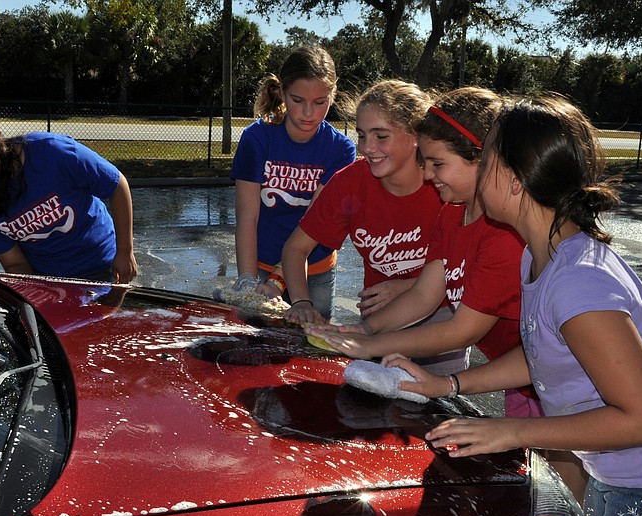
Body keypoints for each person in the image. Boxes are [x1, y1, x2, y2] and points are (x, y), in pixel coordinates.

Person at [392, 95, 642, 516]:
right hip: (632, 469)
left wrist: (511, 432)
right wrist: (447, 382)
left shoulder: (576, 284)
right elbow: (543, 354)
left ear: (512, 178)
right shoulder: (541, 254)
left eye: (484, 158)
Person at [305, 87, 543, 409]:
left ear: (481, 159)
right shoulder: (452, 213)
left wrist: (371, 343)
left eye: (437, 164)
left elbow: (462, 331)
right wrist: (364, 328)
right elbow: (423, 295)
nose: (428, 175)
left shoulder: (502, 234)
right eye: (425, 163)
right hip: (523, 375)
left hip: (555, 380)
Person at [282, 79, 444, 332]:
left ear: (415, 136)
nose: (367, 148)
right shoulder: (350, 182)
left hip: (440, 315)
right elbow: (295, 248)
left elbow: (468, 267)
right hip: (379, 316)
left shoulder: (443, 185)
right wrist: (302, 302)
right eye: (361, 135)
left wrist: (408, 286)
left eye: (381, 136)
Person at [0, 101, 138, 283]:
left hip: (104, 266)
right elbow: (16, 264)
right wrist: (32, 293)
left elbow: (116, 184)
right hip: (49, 280)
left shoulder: (51, 153)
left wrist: (124, 252)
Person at [230, 45, 356, 320]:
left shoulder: (341, 150)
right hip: (259, 261)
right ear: (283, 92)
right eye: (298, 100)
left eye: (320, 102)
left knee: (311, 344)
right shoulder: (257, 139)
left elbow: (313, 224)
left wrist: (278, 281)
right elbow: (247, 217)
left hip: (316, 267)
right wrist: (248, 280)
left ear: (333, 96)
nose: (308, 112)